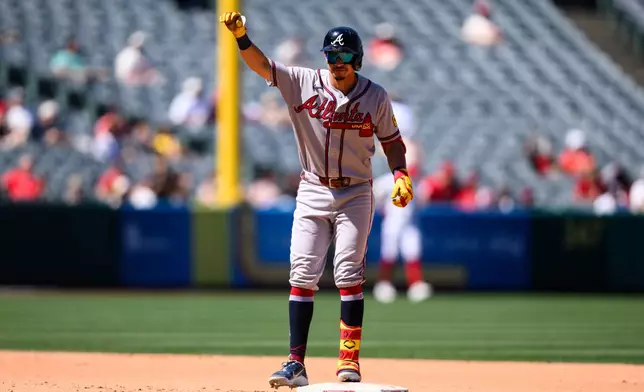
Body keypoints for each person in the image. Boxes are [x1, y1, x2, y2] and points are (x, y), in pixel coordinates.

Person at [220, 12, 414, 388]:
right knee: (302, 274)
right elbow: (262, 64)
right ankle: (295, 364)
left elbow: (391, 140)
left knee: (347, 273)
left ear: (356, 60)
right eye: (330, 57)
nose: (336, 64)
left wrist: (401, 173)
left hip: (356, 190)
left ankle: (349, 362)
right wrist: (242, 37)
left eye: (343, 58)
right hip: (312, 188)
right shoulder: (304, 82)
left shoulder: (374, 96)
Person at [372, 139, 432, 304]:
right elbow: (374, 196)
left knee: (412, 251)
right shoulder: (388, 180)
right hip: (393, 222)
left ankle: (415, 284)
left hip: (410, 222)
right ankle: (383, 284)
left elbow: (423, 198)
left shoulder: (417, 182)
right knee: (389, 252)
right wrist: (383, 208)